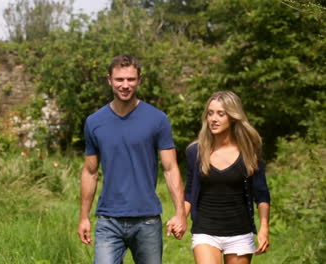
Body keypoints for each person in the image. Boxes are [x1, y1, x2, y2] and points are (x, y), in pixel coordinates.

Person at [77, 54, 187, 264]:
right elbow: (90, 172)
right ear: (109, 80)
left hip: (147, 219)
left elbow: (171, 168)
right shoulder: (94, 122)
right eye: (119, 79)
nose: (125, 85)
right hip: (108, 220)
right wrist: (84, 217)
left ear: (139, 80)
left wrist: (180, 213)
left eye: (131, 79)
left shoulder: (157, 120)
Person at [184, 91, 271, 264]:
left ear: (232, 117)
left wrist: (264, 229)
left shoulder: (249, 152)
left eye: (220, 114)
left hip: (240, 232)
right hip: (205, 231)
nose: (213, 119)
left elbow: (261, 195)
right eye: (210, 113)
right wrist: (180, 218)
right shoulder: (196, 152)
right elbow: (189, 192)